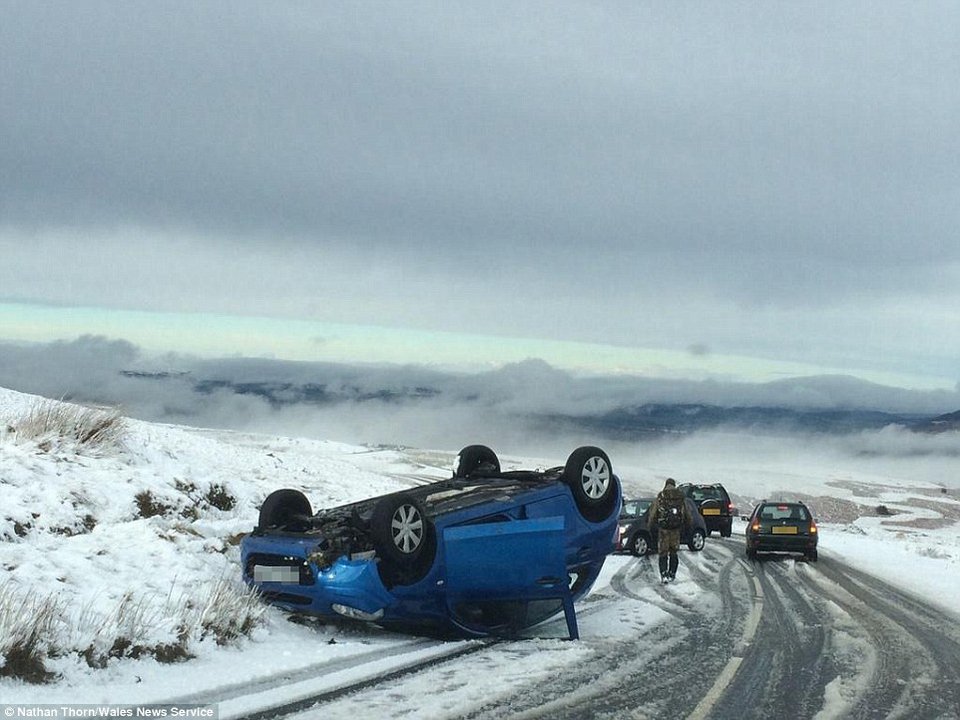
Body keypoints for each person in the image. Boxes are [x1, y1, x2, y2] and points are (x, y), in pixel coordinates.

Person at [648, 477, 691, 583]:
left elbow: (653, 513)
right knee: (673, 552)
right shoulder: (680, 497)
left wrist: (650, 526)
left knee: (663, 553)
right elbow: (687, 514)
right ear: (674, 485)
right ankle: (672, 573)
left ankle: (664, 574)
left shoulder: (661, 496)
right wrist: (688, 526)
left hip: (663, 530)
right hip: (676, 530)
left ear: (666, 484)